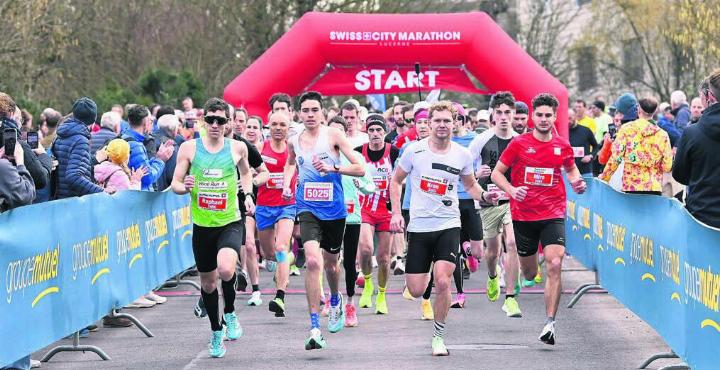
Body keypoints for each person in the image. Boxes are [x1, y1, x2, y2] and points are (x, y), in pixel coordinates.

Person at [390, 101, 499, 356]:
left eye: (447, 121)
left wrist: (485, 197)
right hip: (419, 227)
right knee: (416, 290)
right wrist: (396, 213)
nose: (442, 125)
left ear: (455, 124)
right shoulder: (414, 151)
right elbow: (396, 181)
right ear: (429, 124)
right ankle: (422, 272)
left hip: (448, 225)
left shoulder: (461, 155)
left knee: (443, 280)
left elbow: (471, 186)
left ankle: (438, 337)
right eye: (437, 120)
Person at [490, 93, 587, 346]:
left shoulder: (562, 146)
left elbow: (571, 168)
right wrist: (511, 190)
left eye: (548, 115)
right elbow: (496, 174)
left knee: (555, 263)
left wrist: (576, 182)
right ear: (533, 116)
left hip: (553, 213)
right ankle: (521, 274)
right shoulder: (519, 144)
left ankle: (550, 323)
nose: (544, 119)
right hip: (523, 215)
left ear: (555, 117)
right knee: (530, 272)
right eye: (540, 115)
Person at [172, 98, 255, 358]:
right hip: (202, 225)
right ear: (203, 121)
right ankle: (216, 331)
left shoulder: (237, 148)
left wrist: (249, 193)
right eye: (210, 120)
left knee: (227, 268)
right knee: (208, 285)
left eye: (220, 120)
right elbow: (175, 183)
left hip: (230, 221)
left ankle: (230, 312)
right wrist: (184, 186)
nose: (215, 125)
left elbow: (246, 172)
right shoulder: (188, 148)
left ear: (228, 123)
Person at [282, 91, 365, 350]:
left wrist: (333, 169)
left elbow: (360, 167)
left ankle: (336, 298)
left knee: (331, 265)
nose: (310, 115)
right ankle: (315, 326)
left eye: (314, 110)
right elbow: (290, 163)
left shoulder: (334, 136)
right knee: (313, 261)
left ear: (322, 112)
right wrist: (287, 184)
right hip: (307, 208)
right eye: (305, 110)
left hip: (335, 210)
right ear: (298, 113)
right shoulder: (294, 140)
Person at [469, 91, 523, 317]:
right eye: (499, 112)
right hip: (489, 201)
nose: (503, 117)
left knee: (512, 243)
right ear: (492, 114)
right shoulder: (481, 140)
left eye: (507, 113)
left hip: (514, 201)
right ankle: (493, 276)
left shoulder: (521, 140)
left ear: (513, 114)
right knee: (492, 252)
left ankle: (510, 298)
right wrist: (475, 172)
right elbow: (462, 169)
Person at [327, 115, 375, 327]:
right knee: (329, 261)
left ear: (345, 134)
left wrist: (360, 186)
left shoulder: (354, 157)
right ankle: (332, 298)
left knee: (348, 262)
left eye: (339, 131)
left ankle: (349, 303)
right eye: (331, 131)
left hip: (351, 216)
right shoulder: (320, 157)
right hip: (327, 215)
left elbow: (370, 186)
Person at [252, 112, 298, 318]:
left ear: (288, 128)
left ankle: (280, 296)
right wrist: (255, 176)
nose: (278, 128)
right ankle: (287, 259)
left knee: (281, 247)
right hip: (264, 206)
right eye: (274, 125)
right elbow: (249, 171)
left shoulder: (293, 148)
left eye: (283, 125)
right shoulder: (260, 149)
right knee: (270, 254)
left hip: (287, 205)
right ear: (268, 127)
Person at [355, 114, 399, 315]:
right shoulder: (358, 152)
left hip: (386, 211)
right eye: (371, 130)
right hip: (364, 209)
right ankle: (368, 282)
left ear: (385, 132)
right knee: (365, 248)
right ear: (366, 132)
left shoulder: (393, 152)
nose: (375, 134)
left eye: (379, 130)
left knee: (383, 258)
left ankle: (381, 294)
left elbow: (405, 174)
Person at [673, 70, 720, 228]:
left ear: (709, 96)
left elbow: (680, 175)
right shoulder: (691, 132)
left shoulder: (692, 133)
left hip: (702, 215)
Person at [599, 97, 672, 195]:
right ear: (654, 112)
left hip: (631, 185)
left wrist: (604, 178)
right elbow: (667, 166)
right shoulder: (663, 135)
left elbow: (616, 158)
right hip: (653, 187)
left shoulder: (626, 129)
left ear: (638, 109)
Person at [448, 102, 482, 308]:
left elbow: (479, 167)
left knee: (477, 250)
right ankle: (460, 294)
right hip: (451, 199)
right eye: (450, 119)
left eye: (456, 119)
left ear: (462, 120)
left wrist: (478, 175)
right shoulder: (443, 141)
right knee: (455, 247)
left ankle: (471, 253)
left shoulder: (474, 140)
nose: (453, 123)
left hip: (471, 197)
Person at [52, 97, 108, 199]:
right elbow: (73, 176)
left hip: (60, 199)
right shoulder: (81, 140)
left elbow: (70, 164)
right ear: (93, 119)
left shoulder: (61, 134)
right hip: (72, 202)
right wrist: (102, 191)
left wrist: (94, 160)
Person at [122, 105, 175, 191]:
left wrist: (157, 157)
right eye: (151, 121)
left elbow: (140, 168)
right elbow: (147, 178)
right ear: (146, 122)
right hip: (139, 197)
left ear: (129, 120)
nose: (152, 124)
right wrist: (161, 160)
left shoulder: (122, 137)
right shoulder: (135, 145)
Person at [569, 109, 599, 176]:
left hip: (585, 171)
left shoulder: (585, 130)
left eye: (570, 118)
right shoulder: (563, 132)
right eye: (566, 119)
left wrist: (590, 156)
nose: (568, 121)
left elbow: (596, 146)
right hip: (569, 171)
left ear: (575, 117)